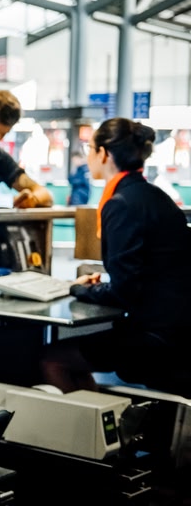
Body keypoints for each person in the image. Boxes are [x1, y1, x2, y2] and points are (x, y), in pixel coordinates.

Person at [40, 118, 191, 393]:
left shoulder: (120, 205)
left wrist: (80, 289)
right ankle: (96, 425)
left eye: (90, 149)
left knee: (51, 359)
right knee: (75, 358)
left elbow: (125, 291)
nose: (88, 157)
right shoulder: (156, 196)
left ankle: (87, 435)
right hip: (178, 330)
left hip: (156, 338)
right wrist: (101, 285)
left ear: (104, 154)